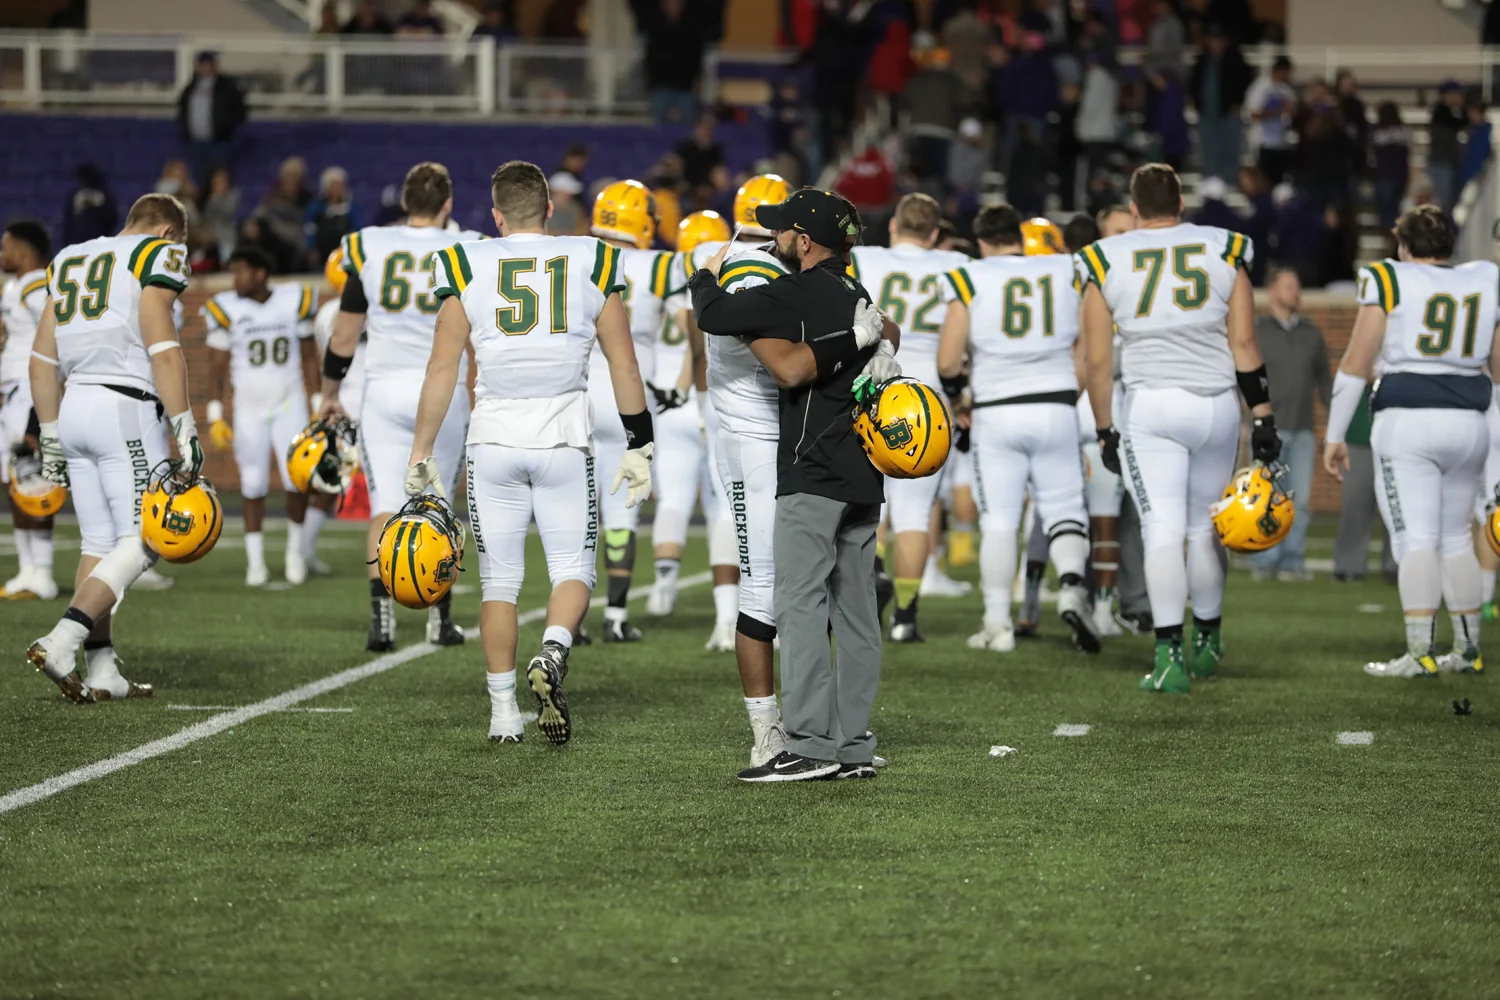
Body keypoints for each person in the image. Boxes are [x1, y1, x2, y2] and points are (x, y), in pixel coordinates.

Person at [404, 160, 653, 745]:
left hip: (491, 440)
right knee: (573, 571)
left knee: (498, 583)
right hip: (565, 438)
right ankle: (554, 650)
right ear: (549, 210)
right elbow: (623, 361)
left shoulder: (467, 259)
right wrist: (640, 443)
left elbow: (443, 368)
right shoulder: (592, 257)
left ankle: (502, 715)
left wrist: (421, 451)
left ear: (495, 216)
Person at [689, 188, 895, 782]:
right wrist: (870, 342)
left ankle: (807, 745)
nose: (776, 238)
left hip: (813, 467)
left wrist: (702, 277)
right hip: (863, 468)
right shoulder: (855, 291)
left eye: (784, 231)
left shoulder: (795, 290)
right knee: (856, 611)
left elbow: (720, 318)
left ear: (804, 241)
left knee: (798, 602)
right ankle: (853, 744)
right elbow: (891, 333)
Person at [1080, 163, 1281, 693]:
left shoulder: (1106, 256)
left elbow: (1098, 362)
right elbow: (1245, 345)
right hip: (1216, 404)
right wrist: (1262, 415)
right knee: (1205, 526)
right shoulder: (1225, 246)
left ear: (1136, 207)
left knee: (1161, 530)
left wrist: (1104, 429)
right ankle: (1208, 640)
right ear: (1182, 204)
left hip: (1152, 406)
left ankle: (1169, 657)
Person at [25, 194, 201, 703]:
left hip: (74, 404)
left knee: (98, 542)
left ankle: (102, 669)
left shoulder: (68, 259)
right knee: (151, 537)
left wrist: (52, 432)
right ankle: (64, 638)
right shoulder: (157, 253)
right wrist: (185, 424)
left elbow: (40, 360)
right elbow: (162, 344)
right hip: (124, 406)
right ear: (169, 233)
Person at [1324, 205, 1498, 678]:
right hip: (1471, 421)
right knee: (1456, 537)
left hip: (1410, 422)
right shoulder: (1484, 278)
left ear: (1402, 246)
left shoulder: (1389, 278)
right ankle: (1466, 650)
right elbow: (1498, 371)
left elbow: (1357, 361)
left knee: (1417, 537)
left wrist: (1336, 433)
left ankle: (1420, 652)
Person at [320, 162, 480, 652]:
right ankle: (438, 619)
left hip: (384, 391)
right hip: (442, 389)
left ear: (405, 202)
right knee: (439, 505)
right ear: (448, 203)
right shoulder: (470, 245)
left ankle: (381, 619)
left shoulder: (368, 244)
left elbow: (345, 335)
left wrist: (328, 393)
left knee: (386, 506)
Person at [938, 205, 1098, 655]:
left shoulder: (971, 276)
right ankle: (1070, 587)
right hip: (1055, 404)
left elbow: (949, 359)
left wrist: (956, 398)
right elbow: (1089, 347)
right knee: (1065, 508)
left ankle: (997, 624)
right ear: (1021, 237)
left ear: (983, 240)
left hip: (997, 409)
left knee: (1001, 521)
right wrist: (1070, 393)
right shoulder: (1066, 269)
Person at [848, 193, 970, 642]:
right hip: (928, 397)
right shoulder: (958, 266)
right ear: (936, 233)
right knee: (916, 512)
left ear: (895, 226)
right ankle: (906, 616)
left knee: (869, 504)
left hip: (876, 390)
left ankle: (871, 583)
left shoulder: (864, 258)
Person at [586, 180, 674, 642]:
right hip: (629, 397)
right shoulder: (660, 266)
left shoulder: (575, 253)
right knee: (622, 512)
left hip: (578, 394)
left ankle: (572, 618)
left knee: (576, 510)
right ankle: (616, 618)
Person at [202, 246, 319, 587]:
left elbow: (310, 355)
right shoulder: (226, 308)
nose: (235, 278)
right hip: (248, 407)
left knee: (297, 479)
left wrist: (315, 401)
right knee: (251, 483)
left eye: (241, 271)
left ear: (260, 273)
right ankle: (255, 563)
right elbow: (216, 368)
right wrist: (214, 415)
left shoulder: (293, 300)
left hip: (289, 401)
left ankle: (294, 553)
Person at [646, 211, 737, 627]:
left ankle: (663, 587)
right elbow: (698, 339)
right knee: (724, 505)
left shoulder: (664, 275)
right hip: (707, 392)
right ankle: (726, 615)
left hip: (668, 401)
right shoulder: (719, 268)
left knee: (675, 498)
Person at [1249, 268, 1329, 582]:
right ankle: (1265, 561)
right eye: (1288, 286)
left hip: (1304, 427)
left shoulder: (1311, 333)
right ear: (1271, 292)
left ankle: (1292, 561)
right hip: (1267, 428)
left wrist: (1333, 419)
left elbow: (1324, 379)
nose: (1295, 292)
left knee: (1300, 500)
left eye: (1297, 286)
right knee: (1266, 498)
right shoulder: (1257, 332)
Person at [0, 219, 57, 599]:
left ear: (23, 249)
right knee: (13, 481)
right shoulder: (16, 286)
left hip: (29, 392)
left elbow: (56, 336)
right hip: (12, 392)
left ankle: (45, 573)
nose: (2, 254)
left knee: (33, 478)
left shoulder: (37, 283)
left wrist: (40, 413)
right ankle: (27, 570)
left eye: (6, 246)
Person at [176, 52, 247, 194]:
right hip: (196, 142)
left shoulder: (226, 88)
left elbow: (239, 111)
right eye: (202, 65)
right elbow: (182, 110)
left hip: (219, 142)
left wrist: (226, 127)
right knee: (197, 178)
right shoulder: (191, 88)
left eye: (208, 65)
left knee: (219, 178)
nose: (205, 68)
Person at [1190, 25, 1252, 184]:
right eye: (1212, 39)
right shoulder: (1202, 59)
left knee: (1230, 151)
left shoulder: (1236, 59)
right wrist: (1195, 102)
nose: (1215, 43)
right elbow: (1193, 83)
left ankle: (1230, 186)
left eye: (1219, 40)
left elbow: (1245, 81)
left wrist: (1238, 102)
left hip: (1229, 114)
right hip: (1207, 114)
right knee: (1209, 151)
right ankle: (1211, 188)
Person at [644, 0, 703, 125]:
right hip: (661, 87)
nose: (673, 7)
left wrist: (696, 81)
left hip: (685, 88)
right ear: (663, 5)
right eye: (670, 3)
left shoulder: (691, 30)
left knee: (689, 126)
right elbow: (650, 59)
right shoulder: (656, 29)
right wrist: (651, 83)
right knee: (659, 127)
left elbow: (696, 58)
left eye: (676, 3)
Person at [1246, 55, 1297, 185]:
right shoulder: (1260, 88)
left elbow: (1293, 112)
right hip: (1263, 142)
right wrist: (1278, 111)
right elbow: (1253, 114)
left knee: (1279, 180)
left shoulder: (1286, 90)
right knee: (1264, 180)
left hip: (1281, 142)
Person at [305, 166, 362, 267]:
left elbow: (357, 230)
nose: (337, 189)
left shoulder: (352, 209)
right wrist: (311, 248)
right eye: (334, 185)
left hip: (343, 250)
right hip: (322, 250)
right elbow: (309, 228)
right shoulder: (316, 207)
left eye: (340, 185)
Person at [1372, 102, 1411, 233]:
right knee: (1395, 210)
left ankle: (1390, 239)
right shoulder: (1404, 131)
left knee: (1386, 213)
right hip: (1400, 176)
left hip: (1384, 176)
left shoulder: (1378, 132)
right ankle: (1396, 239)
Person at [1428, 82, 1467, 212]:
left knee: (1449, 200)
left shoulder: (1447, 112)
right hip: (1441, 162)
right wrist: (1462, 108)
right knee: (1444, 202)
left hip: (1446, 162)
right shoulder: (1441, 113)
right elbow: (1461, 124)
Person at [62, 165, 117, 247]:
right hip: (78, 242)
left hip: (99, 242)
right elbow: (68, 221)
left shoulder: (103, 195)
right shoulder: (75, 195)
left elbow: (111, 218)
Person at [675, 116, 726, 192]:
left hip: (709, 189)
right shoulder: (685, 147)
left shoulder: (715, 150)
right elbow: (675, 164)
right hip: (687, 187)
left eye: (708, 129)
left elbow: (719, 170)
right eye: (702, 129)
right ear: (696, 129)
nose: (705, 132)